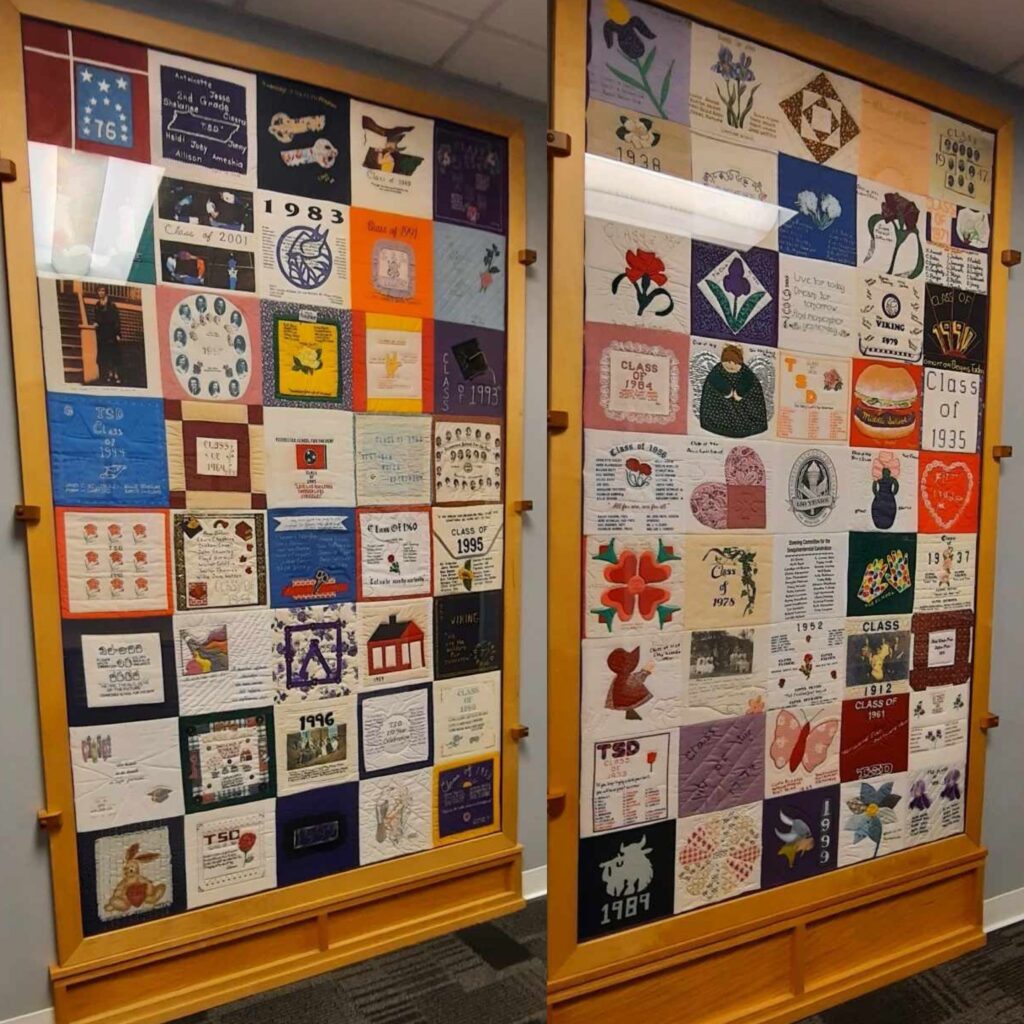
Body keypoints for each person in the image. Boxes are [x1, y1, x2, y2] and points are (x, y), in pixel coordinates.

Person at [698, 343, 768, 438]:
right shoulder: (717, 370)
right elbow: (714, 380)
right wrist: (726, 391)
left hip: (742, 404)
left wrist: (740, 392)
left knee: (751, 405)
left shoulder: (745, 372)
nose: (731, 365)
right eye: (727, 361)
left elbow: (748, 381)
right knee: (716, 408)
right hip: (721, 404)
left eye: (735, 363)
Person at [92, 285, 122, 385]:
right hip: (102, 334)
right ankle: (109, 374)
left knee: (114, 354)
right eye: (99, 291)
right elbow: (96, 318)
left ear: (106, 292)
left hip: (111, 333)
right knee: (105, 355)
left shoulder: (112, 305)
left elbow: (116, 320)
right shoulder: (97, 305)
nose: (101, 293)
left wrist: (117, 333)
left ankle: (116, 374)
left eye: (102, 291)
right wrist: (96, 323)